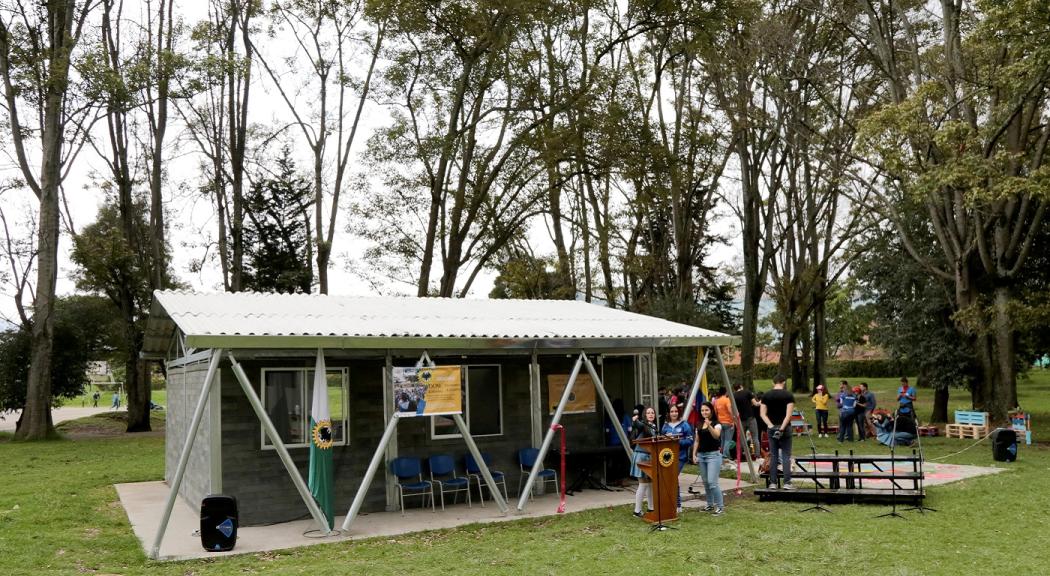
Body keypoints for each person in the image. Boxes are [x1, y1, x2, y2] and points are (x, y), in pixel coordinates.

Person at [760, 374, 796, 490]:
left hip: (771, 428)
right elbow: (788, 415)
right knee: (786, 455)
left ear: (773, 383)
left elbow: (762, 414)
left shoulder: (766, 395)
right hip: (785, 428)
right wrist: (782, 428)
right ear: (784, 382)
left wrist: (770, 425)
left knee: (774, 455)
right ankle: (787, 483)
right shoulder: (788, 395)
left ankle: (773, 483)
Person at [691, 401, 724, 515]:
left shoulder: (716, 423)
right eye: (702, 410)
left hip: (713, 456)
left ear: (711, 411)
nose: (704, 412)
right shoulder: (699, 423)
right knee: (705, 482)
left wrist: (709, 425)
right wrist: (694, 454)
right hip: (701, 455)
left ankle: (720, 506)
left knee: (712, 482)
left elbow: (716, 435)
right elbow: (697, 440)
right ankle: (709, 505)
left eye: (706, 410)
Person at [661, 404, 693, 512]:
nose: (674, 413)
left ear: (679, 412)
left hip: (680, 456)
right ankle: (673, 504)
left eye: (676, 411)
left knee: (673, 477)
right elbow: (661, 441)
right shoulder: (665, 426)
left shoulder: (684, 425)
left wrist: (676, 441)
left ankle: (677, 505)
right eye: (672, 411)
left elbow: (690, 440)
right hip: (667, 457)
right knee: (671, 479)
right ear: (668, 413)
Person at [630, 406, 659, 517]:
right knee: (643, 484)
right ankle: (637, 511)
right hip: (641, 456)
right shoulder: (644, 425)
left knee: (650, 483)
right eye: (648, 413)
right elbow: (638, 424)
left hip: (650, 456)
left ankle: (651, 508)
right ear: (644, 415)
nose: (651, 414)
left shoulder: (654, 427)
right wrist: (635, 420)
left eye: (652, 413)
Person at [734, 383, 760, 458]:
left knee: (742, 438)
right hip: (751, 418)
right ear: (741, 386)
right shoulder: (747, 392)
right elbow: (756, 404)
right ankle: (757, 455)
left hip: (741, 420)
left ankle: (743, 455)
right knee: (755, 437)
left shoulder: (733, 396)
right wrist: (761, 402)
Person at [713, 387, 736, 459]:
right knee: (728, 440)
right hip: (728, 422)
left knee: (722, 440)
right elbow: (729, 410)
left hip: (720, 422)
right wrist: (733, 420)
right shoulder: (727, 400)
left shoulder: (717, 401)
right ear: (726, 392)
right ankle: (725, 455)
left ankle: (721, 454)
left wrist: (718, 420)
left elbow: (715, 412)